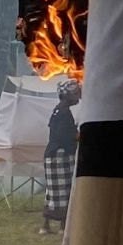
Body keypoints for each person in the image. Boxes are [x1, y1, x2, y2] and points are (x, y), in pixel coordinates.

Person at [44, 78, 80, 232]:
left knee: (52, 191)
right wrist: (78, 136)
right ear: (68, 96)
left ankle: (45, 226)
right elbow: (66, 136)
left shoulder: (58, 109)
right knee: (65, 190)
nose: (78, 98)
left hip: (51, 154)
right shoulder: (64, 113)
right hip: (61, 156)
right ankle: (62, 226)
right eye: (76, 95)